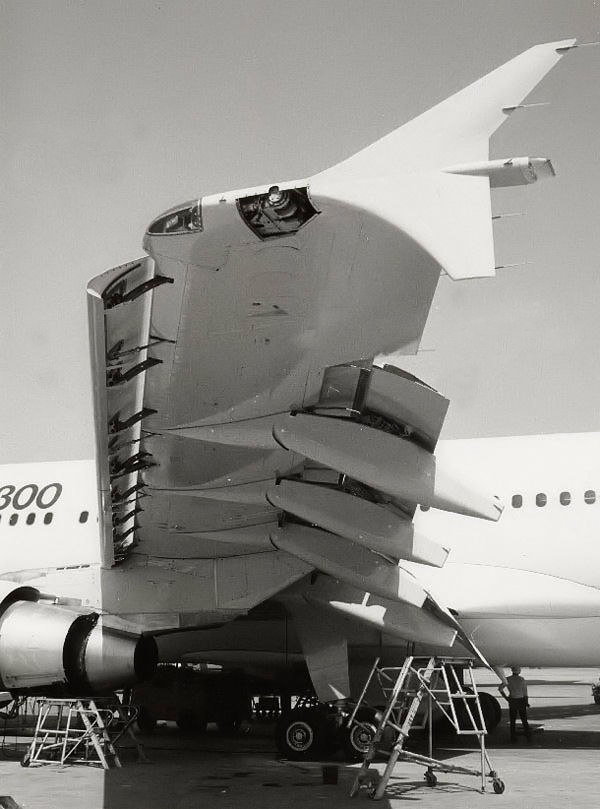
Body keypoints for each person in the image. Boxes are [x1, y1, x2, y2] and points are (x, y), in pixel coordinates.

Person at [499, 666, 531, 742]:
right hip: (521, 701)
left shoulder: (507, 679)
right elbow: (525, 693)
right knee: (524, 720)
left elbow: (500, 689)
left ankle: (513, 737)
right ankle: (528, 736)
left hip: (512, 700)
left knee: (512, 720)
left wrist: (506, 698)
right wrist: (527, 703)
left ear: (512, 671)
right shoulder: (521, 679)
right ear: (519, 671)